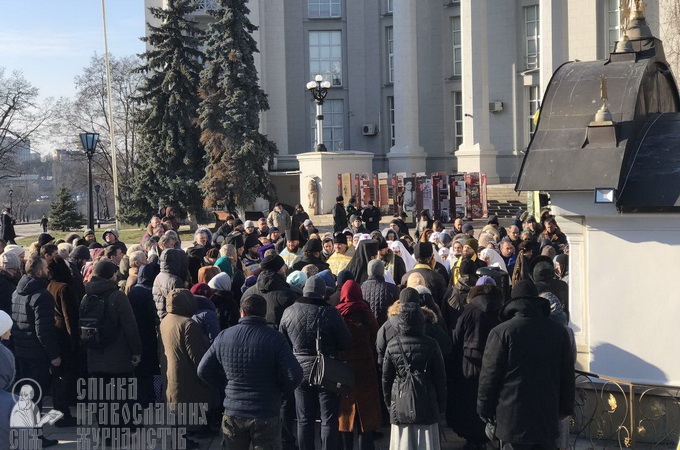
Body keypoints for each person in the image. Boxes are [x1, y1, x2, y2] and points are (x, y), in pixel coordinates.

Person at [477, 280, 575, 449]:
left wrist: (484, 409)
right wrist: (565, 408)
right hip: (546, 415)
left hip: (511, 417)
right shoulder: (558, 332)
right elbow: (567, 374)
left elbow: (489, 376)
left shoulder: (501, 332)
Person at [198, 294, 303, 450]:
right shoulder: (275, 339)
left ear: (242, 312)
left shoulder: (224, 336)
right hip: (266, 412)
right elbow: (295, 374)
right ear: (264, 313)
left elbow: (203, 370)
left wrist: (226, 387)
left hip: (233, 412)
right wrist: (280, 392)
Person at [279, 275, 353, 450]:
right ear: (322, 292)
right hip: (327, 371)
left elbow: (283, 343)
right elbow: (346, 342)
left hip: (299, 370)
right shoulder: (330, 312)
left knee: (304, 419)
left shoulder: (289, 311)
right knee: (328, 420)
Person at [85, 260, 142, 447]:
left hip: (95, 356)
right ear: (111, 275)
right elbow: (130, 326)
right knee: (121, 397)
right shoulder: (117, 296)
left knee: (102, 399)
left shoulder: (86, 296)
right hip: (118, 357)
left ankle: (107, 436)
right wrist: (136, 351)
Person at [448, 276, 503, 449]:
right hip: (495, 363)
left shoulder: (467, 310)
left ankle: (472, 439)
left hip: (468, 365)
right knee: (490, 399)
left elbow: (456, 339)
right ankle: (487, 435)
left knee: (469, 401)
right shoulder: (502, 310)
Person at [382, 302, 446, 449]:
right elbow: (440, 379)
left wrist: (390, 406)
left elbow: (386, 379)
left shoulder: (392, 345)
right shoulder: (432, 344)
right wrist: (441, 407)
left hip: (400, 403)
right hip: (427, 402)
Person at [11, 257, 60, 419]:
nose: (48, 271)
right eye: (45, 268)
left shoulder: (17, 292)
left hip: (21, 350)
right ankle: (36, 437)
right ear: (39, 271)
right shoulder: (42, 296)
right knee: (36, 395)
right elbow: (43, 330)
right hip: (37, 354)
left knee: (27, 394)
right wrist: (54, 355)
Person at [336, 280, 382, 450]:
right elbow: (375, 340)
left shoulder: (338, 314)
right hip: (365, 369)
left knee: (345, 414)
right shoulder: (366, 313)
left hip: (344, 370)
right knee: (366, 416)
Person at [46, 257, 80, 427]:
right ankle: (63, 414)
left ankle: (60, 411)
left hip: (55, 334)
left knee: (58, 377)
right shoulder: (64, 288)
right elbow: (69, 317)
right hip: (65, 338)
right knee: (64, 377)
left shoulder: (50, 285)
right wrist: (75, 340)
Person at [127, 263, 161, 408]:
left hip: (135, 334)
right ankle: (151, 397)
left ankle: (141, 397)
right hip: (147, 335)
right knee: (150, 367)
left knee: (139, 370)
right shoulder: (148, 294)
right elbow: (152, 317)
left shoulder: (133, 290)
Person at [241, 254, 298, 328]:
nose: (285, 268)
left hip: (251, 336)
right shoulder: (289, 294)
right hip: (278, 337)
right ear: (279, 269)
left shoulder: (247, 294)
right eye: (283, 266)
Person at [153, 248, 189, 319]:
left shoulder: (159, 276)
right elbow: (180, 305)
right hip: (173, 318)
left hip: (162, 316)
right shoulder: (175, 280)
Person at [361, 259, 398, 326]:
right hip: (386, 327)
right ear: (382, 271)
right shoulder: (392, 289)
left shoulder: (361, 288)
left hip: (367, 328)